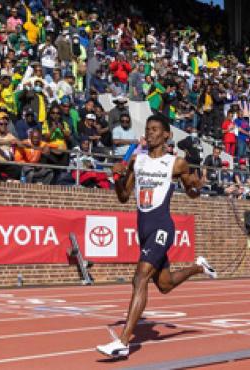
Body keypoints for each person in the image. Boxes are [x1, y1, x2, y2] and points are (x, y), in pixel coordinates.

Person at [96, 113, 217, 358]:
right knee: (165, 284)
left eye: (155, 130)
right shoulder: (136, 162)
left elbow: (191, 193)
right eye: (148, 129)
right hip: (143, 229)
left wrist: (196, 187)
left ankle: (123, 341)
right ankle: (198, 267)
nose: (150, 134)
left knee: (140, 278)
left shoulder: (176, 163)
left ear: (166, 135)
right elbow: (123, 197)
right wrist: (117, 178)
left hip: (162, 226)